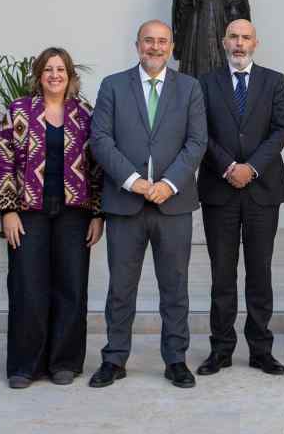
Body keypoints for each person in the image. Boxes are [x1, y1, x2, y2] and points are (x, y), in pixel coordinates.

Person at [88, 20, 208, 389]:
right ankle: (114, 358)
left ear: (171, 46)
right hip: (126, 203)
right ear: (136, 44)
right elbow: (100, 139)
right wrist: (133, 181)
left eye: (162, 41)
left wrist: (169, 184)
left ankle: (176, 359)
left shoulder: (189, 88)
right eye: (148, 41)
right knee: (121, 288)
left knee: (175, 287)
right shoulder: (113, 86)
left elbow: (197, 141)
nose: (155, 47)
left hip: (173, 204)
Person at [0, 47, 105, 389]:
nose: (55, 75)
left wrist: (97, 213)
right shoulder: (19, 110)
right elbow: (3, 161)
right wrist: (8, 210)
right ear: (39, 75)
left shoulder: (85, 114)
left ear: (70, 76)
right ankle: (25, 365)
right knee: (27, 286)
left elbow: (98, 167)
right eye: (48, 69)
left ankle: (64, 362)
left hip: (75, 213)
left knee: (71, 286)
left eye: (61, 70)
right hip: (29, 212)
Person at [195, 19, 284, 378]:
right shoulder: (205, 83)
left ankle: (261, 350)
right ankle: (220, 350)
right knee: (222, 274)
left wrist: (251, 168)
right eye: (233, 37)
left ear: (255, 43)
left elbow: (281, 129)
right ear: (224, 42)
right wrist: (228, 167)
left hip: (262, 191)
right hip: (219, 190)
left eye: (245, 37)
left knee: (259, 272)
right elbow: (200, 131)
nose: (239, 43)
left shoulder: (274, 81)